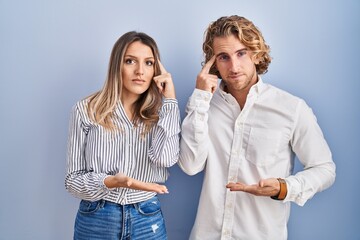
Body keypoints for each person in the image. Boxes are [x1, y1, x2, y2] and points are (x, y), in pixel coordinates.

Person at [179, 15, 336, 240]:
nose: (233, 66)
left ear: (256, 53)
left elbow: (325, 169)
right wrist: (200, 98)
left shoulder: (291, 108)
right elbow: (190, 165)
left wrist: (284, 188)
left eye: (241, 53)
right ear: (212, 63)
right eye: (223, 57)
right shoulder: (203, 105)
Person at [65, 31, 180, 240]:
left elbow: (166, 159)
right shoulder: (85, 110)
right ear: (117, 65)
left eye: (148, 63)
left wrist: (170, 100)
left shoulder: (160, 115)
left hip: (147, 217)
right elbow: (72, 181)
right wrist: (111, 182)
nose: (140, 71)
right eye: (130, 61)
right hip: (97, 217)